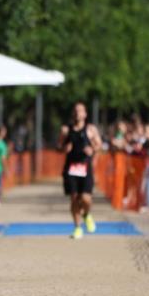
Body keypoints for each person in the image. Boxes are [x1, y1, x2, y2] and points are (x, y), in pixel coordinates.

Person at [58, 102, 103, 239]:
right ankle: (77, 227)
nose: (78, 113)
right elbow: (59, 145)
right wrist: (64, 148)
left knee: (85, 198)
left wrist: (93, 150)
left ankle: (87, 214)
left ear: (85, 114)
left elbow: (99, 145)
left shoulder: (91, 129)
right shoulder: (66, 130)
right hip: (71, 167)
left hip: (85, 167)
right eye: (76, 111)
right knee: (74, 198)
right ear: (73, 113)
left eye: (81, 111)